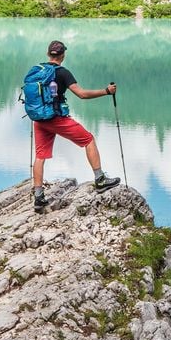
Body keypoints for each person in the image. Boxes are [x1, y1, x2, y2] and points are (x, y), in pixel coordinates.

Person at [32, 39, 120, 212]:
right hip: (56, 119)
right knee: (88, 139)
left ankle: (38, 197)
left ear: (48, 54)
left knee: (40, 155)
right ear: (63, 55)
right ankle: (100, 179)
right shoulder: (63, 72)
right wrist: (106, 91)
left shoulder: (37, 70)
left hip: (39, 119)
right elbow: (82, 94)